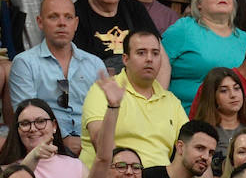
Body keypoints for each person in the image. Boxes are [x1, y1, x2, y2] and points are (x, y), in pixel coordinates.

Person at [7, 0, 104, 153]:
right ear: (40, 22)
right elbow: (25, 115)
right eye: (53, 17)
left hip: (91, 145)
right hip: (43, 146)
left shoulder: (95, 64)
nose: (62, 23)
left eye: (68, 17)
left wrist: (87, 142)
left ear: (76, 23)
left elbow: (104, 114)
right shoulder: (25, 63)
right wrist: (63, 138)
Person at [79, 31, 187, 170]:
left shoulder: (171, 101)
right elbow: (99, 141)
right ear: (125, 59)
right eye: (141, 53)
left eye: (155, 53)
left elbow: (192, 146)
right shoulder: (104, 90)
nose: (149, 59)